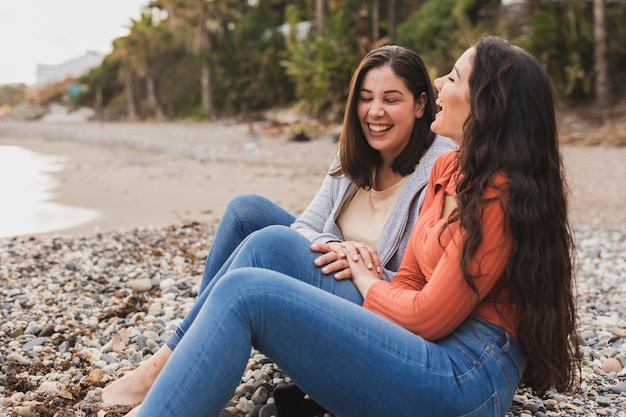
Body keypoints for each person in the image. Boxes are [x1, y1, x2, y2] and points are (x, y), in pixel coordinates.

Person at [127, 35, 582, 417]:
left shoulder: (495, 195)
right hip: (422, 340)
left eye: (454, 77)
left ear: (487, 104)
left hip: (466, 375)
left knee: (245, 292)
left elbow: (427, 316)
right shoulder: (451, 168)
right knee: (261, 248)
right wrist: (346, 327)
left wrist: (364, 277)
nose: (441, 81)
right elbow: (409, 279)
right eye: (366, 99)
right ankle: (171, 369)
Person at [102, 45, 456, 406]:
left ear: (420, 104)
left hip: (374, 299)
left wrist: (359, 268)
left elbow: (425, 286)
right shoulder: (355, 154)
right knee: (246, 212)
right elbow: (304, 227)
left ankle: (163, 368)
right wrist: (338, 248)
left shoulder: (440, 168)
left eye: (391, 99)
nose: (375, 112)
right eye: (366, 98)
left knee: (268, 245)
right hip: (333, 266)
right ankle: (194, 346)